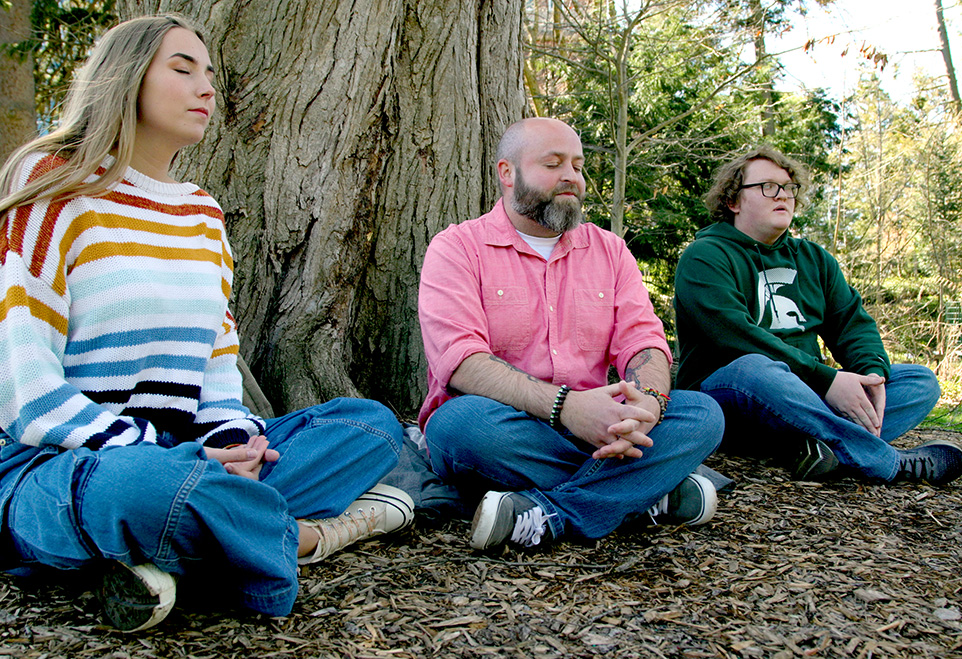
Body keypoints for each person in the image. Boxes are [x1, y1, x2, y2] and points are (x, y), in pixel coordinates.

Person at [0, 15, 413, 633]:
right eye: (183, 69)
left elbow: (218, 364)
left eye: (210, 76)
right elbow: (22, 390)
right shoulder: (53, 187)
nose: (206, 90)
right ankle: (305, 537)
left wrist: (230, 446)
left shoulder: (200, 213)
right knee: (143, 487)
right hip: (62, 462)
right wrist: (160, 454)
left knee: (372, 426)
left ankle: (168, 551)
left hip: (187, 460)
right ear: (127, 77)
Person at [417, 117, 724, 552]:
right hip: (510, 427)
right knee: (456, 425)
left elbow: (644, 342)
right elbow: (461, 362)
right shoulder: (457, 248)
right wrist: (566, 408)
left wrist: (649, 405)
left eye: (578, 166)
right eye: (553, 163)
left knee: (702, 413)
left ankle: (552, 515)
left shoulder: (610, 250)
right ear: (508, 173)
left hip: (603, 423)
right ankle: (647, 490)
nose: (571, 177)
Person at [673, 144, 962, 486]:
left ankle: (812, 447)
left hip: (804, 395)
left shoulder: (813, 258)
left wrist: (872, 375)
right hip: (731, 398)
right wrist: (826, 381)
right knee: (754, 367)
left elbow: (852, 324)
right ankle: (887, 463)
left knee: (919, 381)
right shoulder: (704, 256)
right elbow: (733, 337)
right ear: (733, 201)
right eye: (768, 187)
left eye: (788, 187)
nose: (782, 195)